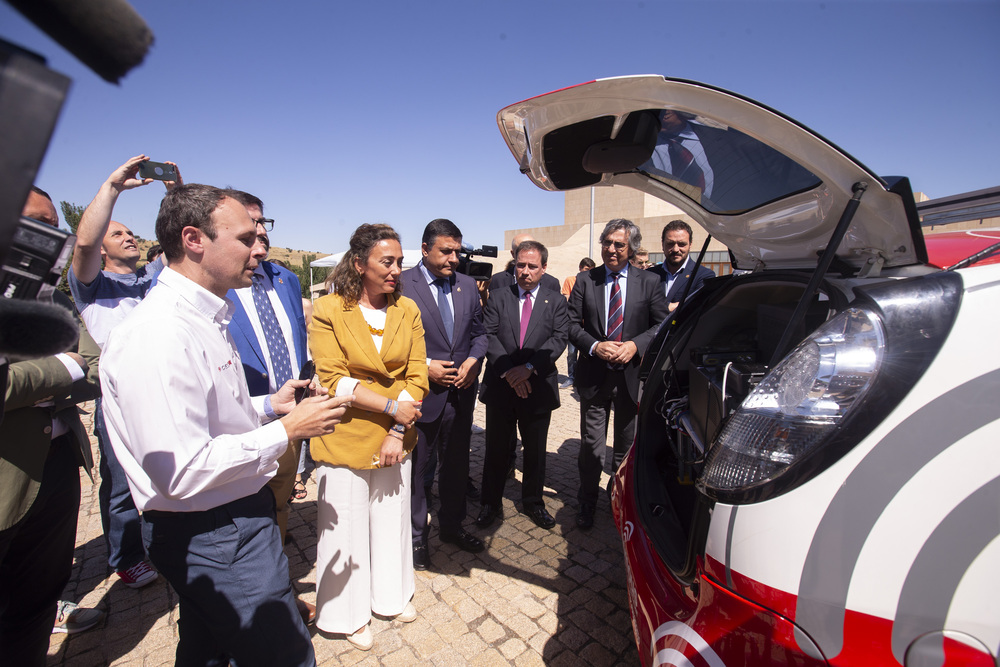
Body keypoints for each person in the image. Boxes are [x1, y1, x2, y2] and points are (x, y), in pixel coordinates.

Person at [100, 184, 351, 667]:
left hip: (227, 517)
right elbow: (181, 470)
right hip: (213, 529)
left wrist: (266, 406)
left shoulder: (204, 316)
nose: (260, 248)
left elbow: (207, 414)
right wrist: (289, 430)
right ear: (194, 239)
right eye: (245, 238)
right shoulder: (159, 335)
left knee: (208, 651)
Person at [307, 223, 428, 650]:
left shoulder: (407, 310)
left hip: (397, 437)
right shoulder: (328, 310)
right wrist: (392, 405)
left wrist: (397, 427)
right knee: (346, 530)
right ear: (360, 264)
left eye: (400, 262)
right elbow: (334, 379)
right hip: (343, 436)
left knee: (392, 521)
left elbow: (417, 374)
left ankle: (391, 597)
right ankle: (345, 615)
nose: (397, 270)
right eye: (387, 262)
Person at [0, 187, 104, 665]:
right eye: (32, 224)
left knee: (34, 605)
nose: (49, 237)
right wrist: (60, 371)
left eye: (52, 225)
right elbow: (73, 365)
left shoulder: (53, 299)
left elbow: (93, 362)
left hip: (59, 468)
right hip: (8, 480)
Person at [68, 155, 172, 589]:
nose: (128, 237)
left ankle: (163, 543)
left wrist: (172, 194)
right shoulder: (93, 286)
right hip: (120, 400)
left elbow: (183, 242)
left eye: (131, 232)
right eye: (118, 234)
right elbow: (84, 246)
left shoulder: (153, 279)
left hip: (163, 392)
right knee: (121, 482)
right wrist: (111, 188)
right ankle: (126, 556)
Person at [569, 218, 669, 530]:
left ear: (632, 248)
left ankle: (619, 501)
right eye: (607, 243)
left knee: (624, 450)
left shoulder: (649, 282)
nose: (611, 249)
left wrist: (635, 346)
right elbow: (571, 325)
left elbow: (661, 324)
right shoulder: (586, 281)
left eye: (619, 245)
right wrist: (595, 346)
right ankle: (586, 502)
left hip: (631, 379)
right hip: (594, 378)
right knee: (591, 448)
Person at [401, 219, 487, 570]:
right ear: (425, 250)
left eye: (457, 251)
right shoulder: (403, 285)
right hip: (422, 396)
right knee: (419, 471)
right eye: (446, 251)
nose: (454, 258)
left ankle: (452, 527)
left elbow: (480, 334)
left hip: (460, 397)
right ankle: (416, 538)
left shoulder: (467, 284)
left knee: (456, 466)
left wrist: (473, 361)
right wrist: (424, 366)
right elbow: (391, 344)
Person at [477, 240, 568, 530]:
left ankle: (533, 502)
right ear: (514, 264)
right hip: (502, 387)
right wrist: (510, 373)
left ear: (544, 269)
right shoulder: (498, 296)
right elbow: (488, 335)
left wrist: (528, 369)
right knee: (495, 450)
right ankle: (489, 504)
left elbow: (558, 339)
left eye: (532, 266)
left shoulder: (556, 301)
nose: (525, 271)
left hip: (537, 387)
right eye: (520, 265)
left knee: (535, 452)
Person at [648, 220, 716, 311]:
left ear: (690, 245)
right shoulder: (650, 274)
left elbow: (696, 306)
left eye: (682, 244)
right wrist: (672, 306)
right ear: (662, 244)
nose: (676, 249)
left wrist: (656, 306)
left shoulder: (703, 276)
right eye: (670, 244)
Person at [560, 257, 595, 389]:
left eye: (590, 270)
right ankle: (571, 377)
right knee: (571, 352)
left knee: (588, 352)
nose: (587, 272)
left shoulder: (594, 283)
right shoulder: (571, 280)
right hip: (574, 323)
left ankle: (584, 377)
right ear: (580, 268)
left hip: (589, 324)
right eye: (586, 269)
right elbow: (567, 299)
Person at [488, 233, 560, 294]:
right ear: (513, 254)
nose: (527, 253)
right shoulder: (497, 280)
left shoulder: (552, 283)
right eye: (522, 249)